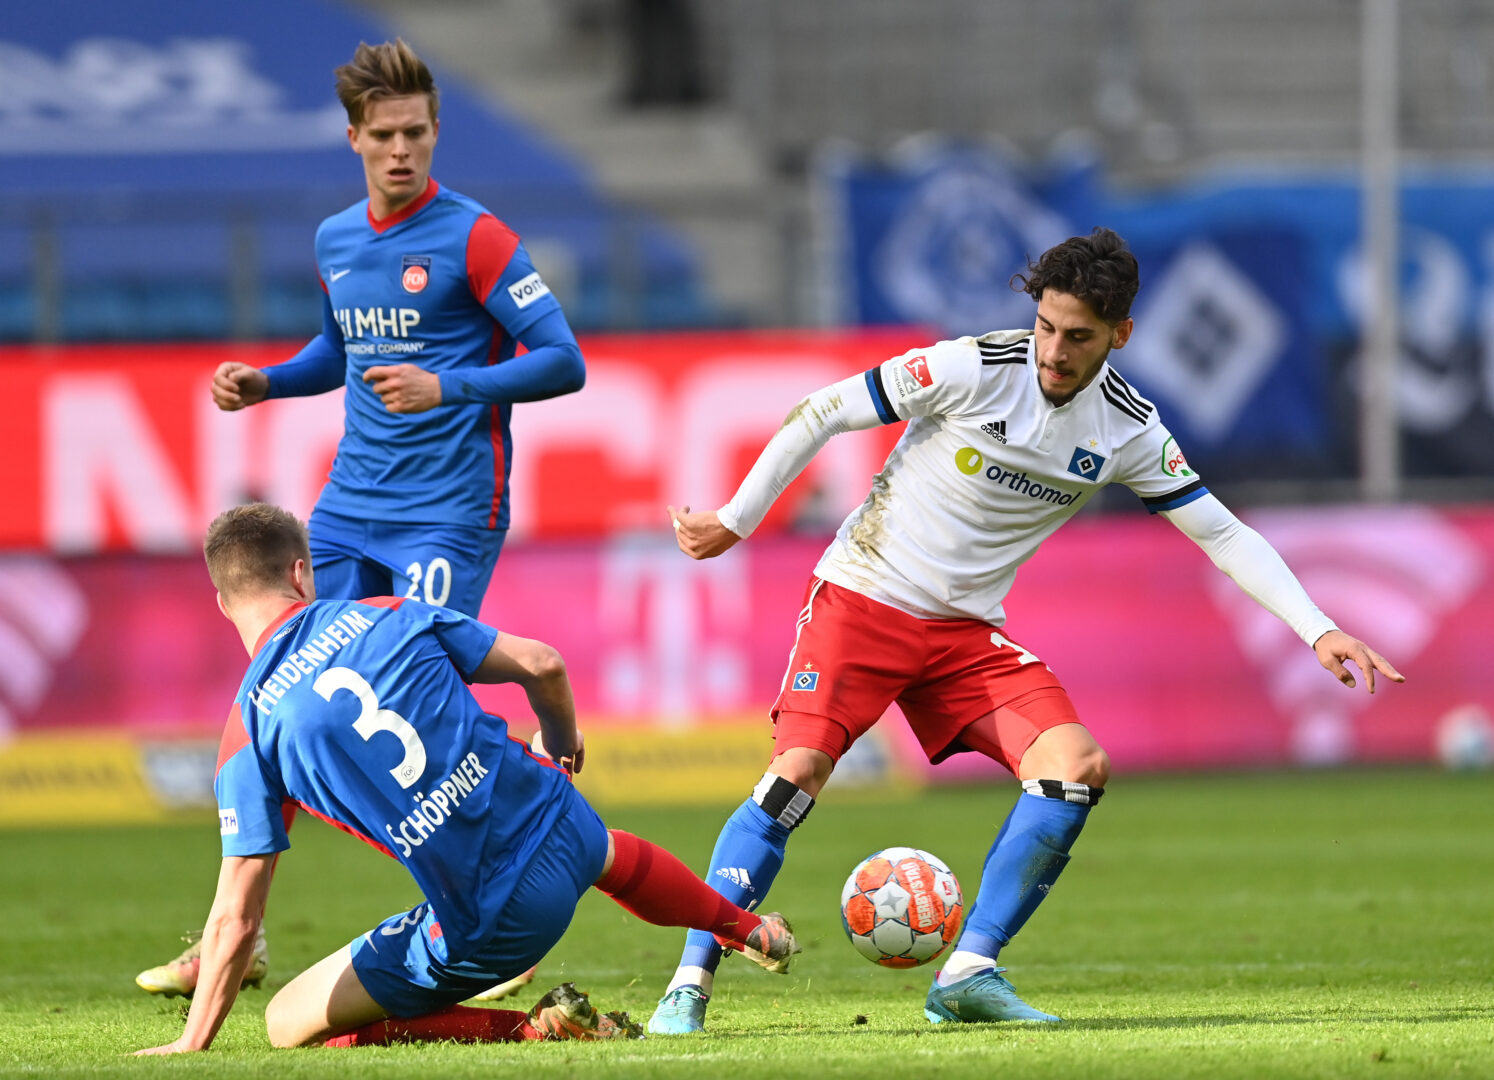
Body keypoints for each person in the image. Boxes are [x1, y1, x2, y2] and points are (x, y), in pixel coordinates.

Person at [649, 227, 1405, 1033]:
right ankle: (688, 984)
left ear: (1120, 334)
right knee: (795, 774)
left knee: (1076, 767)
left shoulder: (1128, 430)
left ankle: (968, 972)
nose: (1053, 350)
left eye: (1078, 336)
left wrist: (1317, 629)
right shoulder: (971, 367)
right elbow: (824, 411)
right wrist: (737, 518)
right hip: (863, 600)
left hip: (964, 637)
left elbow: (1220, 532)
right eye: (1045, 326)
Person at [137, 38, 585, 999]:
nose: (401, 150)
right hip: (346, 512)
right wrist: (268, 382)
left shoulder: (477, 239)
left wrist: (449, 385)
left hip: (447, 514)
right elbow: (337, 353)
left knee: (428, 697)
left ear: (436, 132)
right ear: (354, 139)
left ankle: (501, 912)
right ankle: (234, 938)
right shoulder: (337, 240)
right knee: (266, 700)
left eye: (415, 133)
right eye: (383, 136)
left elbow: (563, 360)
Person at [134, 504, 797, 1055]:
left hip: (495, 921)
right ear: (300, 573)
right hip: (569, 828)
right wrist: (560, 742)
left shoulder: (248, 729)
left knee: (287, 1021)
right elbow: (543, 663)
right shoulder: (386, 612)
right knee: (606, 852)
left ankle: (534, 1030)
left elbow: (237, 913)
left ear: (223, 602)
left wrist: (193, 1043)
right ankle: (748, 928)